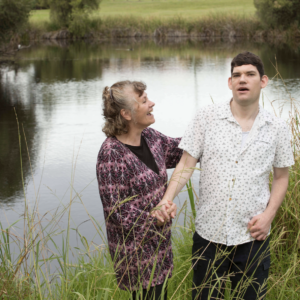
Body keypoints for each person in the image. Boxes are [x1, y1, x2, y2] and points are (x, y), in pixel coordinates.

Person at [158, 52, 294, 299]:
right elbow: (186, 162)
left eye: (250, 74)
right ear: (230, 83)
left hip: (253, 236)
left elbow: (281, 177)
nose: (243, 80)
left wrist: (268, 217)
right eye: (237, 75)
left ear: (262, 81)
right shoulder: (206, 117)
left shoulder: (277, 127)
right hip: (209, 236)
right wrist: (167, 199)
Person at [96, 80, 183, 300]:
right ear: (126, 114)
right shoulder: (111, 154)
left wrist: (206, 131)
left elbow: (180, 150)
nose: (152, 103)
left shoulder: (151, 137)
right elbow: (117, 211)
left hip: (160, 247)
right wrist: (155, 217)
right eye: (144, 101)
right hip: (136, 258)